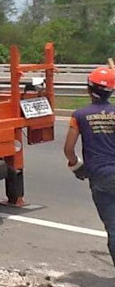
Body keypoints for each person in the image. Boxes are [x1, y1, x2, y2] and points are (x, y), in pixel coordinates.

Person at [64, 65, 115, 265]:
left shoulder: (79, 115)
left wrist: (77, 167)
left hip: (101, 177)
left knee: (113, 227)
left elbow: (69, 149)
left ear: (88, 88)